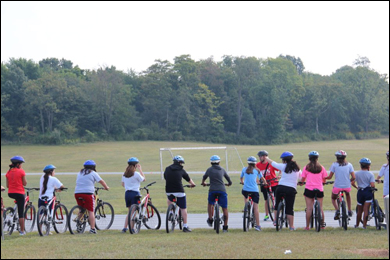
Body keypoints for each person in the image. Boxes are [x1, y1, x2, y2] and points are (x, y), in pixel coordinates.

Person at [263, 151, 302, 231]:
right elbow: (301, 178)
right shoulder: (297, 168)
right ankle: (291, 226)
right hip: (291, 189)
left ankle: (275, 220)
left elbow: (273, 163)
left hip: (280, 188)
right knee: (289, 208)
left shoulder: (283, 166)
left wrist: (266, 158)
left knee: (277, 205)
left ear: (284, 160)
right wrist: (299, 183)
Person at [74, 160, 109, 234]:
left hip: (77, 193)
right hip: (87, 193)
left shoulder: (80, 173)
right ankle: (92, 228)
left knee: (82, 208)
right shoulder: (93, 173)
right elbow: (101, 181)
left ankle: (79, 223)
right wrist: (106, 187)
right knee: (91, 211)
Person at [164, 155, 196, 233]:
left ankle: (171, 212)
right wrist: (193, 184)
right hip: (179, 190)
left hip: (168, 189)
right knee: (183, 208)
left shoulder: (167, 169)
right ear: (180, 163)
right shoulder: (181, 170)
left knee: (169, 198)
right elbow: (188, 179)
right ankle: (185, 226)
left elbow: (165, 177)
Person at [201, 155, 232, 233]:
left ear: (211, 162)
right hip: (222, 190)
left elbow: (204, 177)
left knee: (210, 204)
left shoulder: (209, 170)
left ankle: (210, 219)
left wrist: (203, 183)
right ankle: (225, 227)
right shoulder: (222, 169)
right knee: (225, 208)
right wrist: (228, 184)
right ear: (219, 162)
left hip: (212, 190)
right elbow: (229, 181)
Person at [299, 151, 328, 230]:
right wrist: (323, 183)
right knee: (321, 207)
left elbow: (303, 178)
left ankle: (307, 226)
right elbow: (324, 178)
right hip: (319, 189)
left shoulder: (306, 167)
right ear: (317, 158)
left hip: (309, 189)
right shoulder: (321, 167)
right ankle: (322, 225)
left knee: (309, 208)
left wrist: (301, 182)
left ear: (309, 158)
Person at [325, 150, 356, 220]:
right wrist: (349, 181)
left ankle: (337, 210)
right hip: (347, 186)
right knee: (348, 194)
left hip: (337, 186)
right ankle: (350, 210)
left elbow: (330, 177)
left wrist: (323, 178)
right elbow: (354, 177)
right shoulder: (349, 165)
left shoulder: (334, 165)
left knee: (333, 198)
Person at [240, 156, 265, 231]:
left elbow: (241, 178)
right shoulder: (257, 170)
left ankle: (246, 208)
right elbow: (262, 179)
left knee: (245, 194)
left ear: (248, 163)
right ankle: (258, 225)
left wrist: (242, 182)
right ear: (255, 163)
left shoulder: (244, 169)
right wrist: (265, 183)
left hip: (245, 190)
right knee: (256, 208)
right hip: (254, 190)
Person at [122, 157, 145, 233]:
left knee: (129, 212)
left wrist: (129, 185)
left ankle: (125, 228)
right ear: (135, 165)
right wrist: (140, 169)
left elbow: (123, 184)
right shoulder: (136, 174)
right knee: (134, 212)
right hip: (135, 193)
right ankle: (132, 228)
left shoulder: (125, 174)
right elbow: (143, 179)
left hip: (127, 193)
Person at [5, 156, 28, 235]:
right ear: (18, 164)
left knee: (17, 200)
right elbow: (24, 183)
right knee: (21, 212)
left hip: (10, 193)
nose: (21, 165)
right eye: (21, 164)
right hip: (20, 193)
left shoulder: (8, 172)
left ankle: (13, 212)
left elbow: (7, 185)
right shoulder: (21, 171)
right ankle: (22, 231)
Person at [256, 150, 280, 221]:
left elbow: (280, 169)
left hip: (273, 183)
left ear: (265, 157)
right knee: (266, 200)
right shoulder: (257, 165)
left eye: (261, 156)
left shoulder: (271, 164)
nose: (260, 158)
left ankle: (277, 212)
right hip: (264, 184)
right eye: (259, 156)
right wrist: (257, 180)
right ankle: (267, 215)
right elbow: (255, 173)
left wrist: (279, 175)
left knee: (276, 198)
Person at [352, 158, 375, 229]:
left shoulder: (357, 173)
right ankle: (364, 225)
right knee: (366, 209)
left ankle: (357, 225)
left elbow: (352, 182)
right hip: (367, 191)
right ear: (368, 166)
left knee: (359, 210)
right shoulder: (370, 174)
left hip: (360, 192)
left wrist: (357, 187)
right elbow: (372, 185)